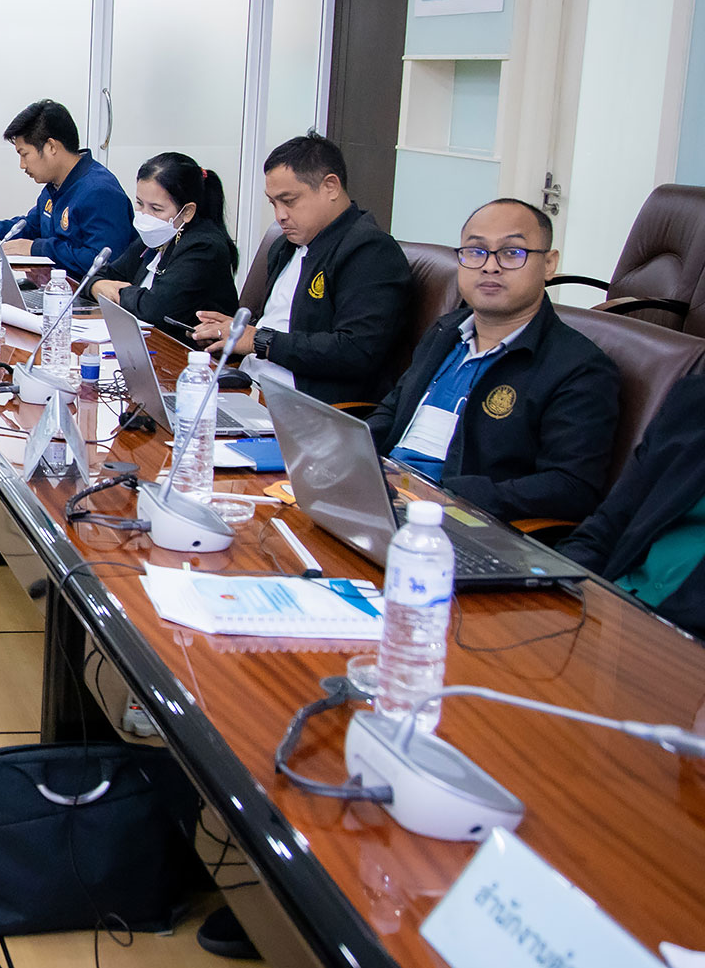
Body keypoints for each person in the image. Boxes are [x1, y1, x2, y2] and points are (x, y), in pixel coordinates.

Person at [365, 199, 617, 523]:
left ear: (549, 264)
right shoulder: (446, 331)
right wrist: (350, 453)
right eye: (476, 252)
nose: (489, 266)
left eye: (511, 253)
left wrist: (444, 495)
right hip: (384, 497)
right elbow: (394, 409)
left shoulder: (579, 368)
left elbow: (571, 487)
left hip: (459, 521)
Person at [191, 134, 410, 407]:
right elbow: (281, 325)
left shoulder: (370, 251)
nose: (280, 215)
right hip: (248, 385)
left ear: (330, 186)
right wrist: (236, 332)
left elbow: (355, 351)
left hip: (301, 407)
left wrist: (258, 339)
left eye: (289, 201)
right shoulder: (285, 246)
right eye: (273, 203)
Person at [562, 374, 705, 636]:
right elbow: (607, 525)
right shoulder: (692, 400)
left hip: (681, 642)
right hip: (609, 608)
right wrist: (555, 579)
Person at [0, 99, 134, 274]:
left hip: (81, 290)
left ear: (51, 147)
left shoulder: (99, 191)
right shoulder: (55, 186)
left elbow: (103, 263)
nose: (22, 165)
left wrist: (38, 248)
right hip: (53, 284)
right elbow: (29, 228)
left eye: (24, 154)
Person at [88, 152, 239, 331]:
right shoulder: (154, 237)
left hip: (187, 345)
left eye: (156, 209)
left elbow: (155, 308)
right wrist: (96, 285)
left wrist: (114, 291)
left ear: (187, 212)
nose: (145, 215)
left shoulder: (205, 247)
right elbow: (98, 275)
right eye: (140, 203)